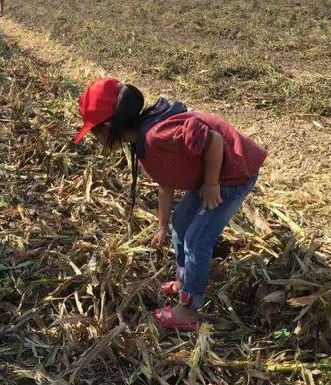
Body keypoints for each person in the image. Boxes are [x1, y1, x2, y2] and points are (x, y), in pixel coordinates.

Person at [73, 78, 266, 330]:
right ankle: (183, 283)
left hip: (233, 173)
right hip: (212, 173)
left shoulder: (157, 136)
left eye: (95, 133)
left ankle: (189, 310)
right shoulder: (143, 141)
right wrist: (162, 226)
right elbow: (166, 185)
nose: (95, 139)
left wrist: (210, 185)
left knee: (197, 239)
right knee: (180, 223)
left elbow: (214, 140)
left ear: (108, 127)